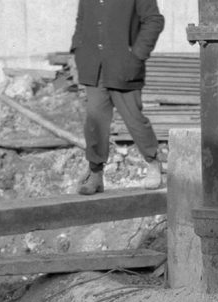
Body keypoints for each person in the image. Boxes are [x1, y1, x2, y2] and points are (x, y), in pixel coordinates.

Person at [70, 0, 165, 195]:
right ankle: (96, 174)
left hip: (124, 67)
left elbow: (154, 20)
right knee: (94, 120)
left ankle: (153, 162)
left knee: (134, 118)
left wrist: (137, 54)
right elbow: (81, 20)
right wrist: (76, 50)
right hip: (95, 67)